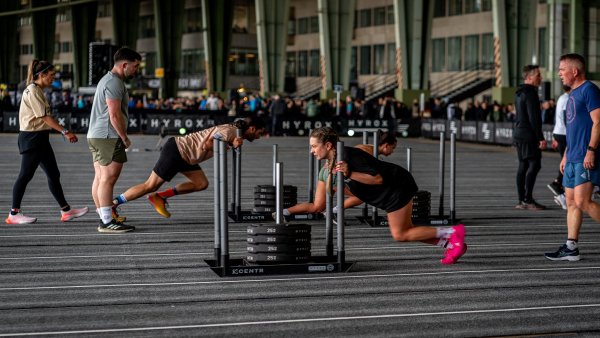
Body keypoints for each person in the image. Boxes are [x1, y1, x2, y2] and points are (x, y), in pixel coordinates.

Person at [309, 127, 466, 265]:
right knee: (407, 230)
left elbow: (377, 179)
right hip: (388, 192)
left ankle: (452, 232)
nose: (312, 150)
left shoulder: (349, 155)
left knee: (401, 233)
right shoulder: (333, 161)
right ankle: (452, 245)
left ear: (328, 145)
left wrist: (349, 173)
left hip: (397, 187)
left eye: (314, 146)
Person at [112, 117, 266, 219]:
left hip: (187, 156)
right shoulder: (229, 131)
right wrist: (232, 144)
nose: (260, 137)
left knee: (201, 184)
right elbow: (207, 144)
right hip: (177, 150)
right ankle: (113, 204)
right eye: (260, 132)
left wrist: (231, 144)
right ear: (252, 129)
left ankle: (160, 197)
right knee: (150, 185)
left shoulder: (233, 132)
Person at [5, 60, 88, 224]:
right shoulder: (33, 91)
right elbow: (45, 117)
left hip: (41, 138)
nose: (53, 78)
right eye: (51, 75)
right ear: (41, 75)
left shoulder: (38, 90)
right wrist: (65, 131)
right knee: (25, 175)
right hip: (32, 138)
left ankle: (66, 210)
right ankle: (14, 213)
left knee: (53, 174)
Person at [545, 54, 600, 261]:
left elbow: (598, 122)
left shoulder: (590, 90)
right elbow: (572, 129)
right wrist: (566, 155)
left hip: (586, 155)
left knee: (584, 202)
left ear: (574, 71)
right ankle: (571, 247)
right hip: (573, 156)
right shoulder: (572, 95)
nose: (559, 73)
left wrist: (591, 149)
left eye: (562, 69)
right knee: (571, 202)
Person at [279, 130, 398, 219]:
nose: (393, 152)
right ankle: (333, 211)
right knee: (363, 195)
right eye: (392, 148)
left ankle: (284, 212)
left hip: (326, 171)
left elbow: (338, 154)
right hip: (335, 172)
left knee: (317, 207)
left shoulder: (366, 148)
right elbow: (349, 161)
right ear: (386, 145)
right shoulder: (369, 151)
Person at [87, 47, 141, 233]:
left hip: (97, 135)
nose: (136, 70)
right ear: (124, 65)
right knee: (108, 179)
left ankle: (105, 216)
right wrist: (124, 137)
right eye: (135, 66)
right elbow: (114, 114)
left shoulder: (107, 80)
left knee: (100, 178)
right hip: (108, 136)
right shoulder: (115, 83)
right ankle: (107, 222)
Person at [513, 65, 547, 210]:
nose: (541, 78)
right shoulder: (531, 93)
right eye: (538, 75)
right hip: (528, 134)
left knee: (523, 165)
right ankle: (527, 199)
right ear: (530, 77)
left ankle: (522, 200)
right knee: (535, 164)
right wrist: (541, 137)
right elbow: (534, 118)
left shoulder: (519, 92)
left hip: (519, 132)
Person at [548, 85, 571, 210]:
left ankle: (560, 184)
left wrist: (553, 135)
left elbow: (557, 118)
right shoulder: (568, 99)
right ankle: (558, 184)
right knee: (567, 160)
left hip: (559, 132)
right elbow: (567, 119)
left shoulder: (562, 97)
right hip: (564, 133)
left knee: (566, 160)